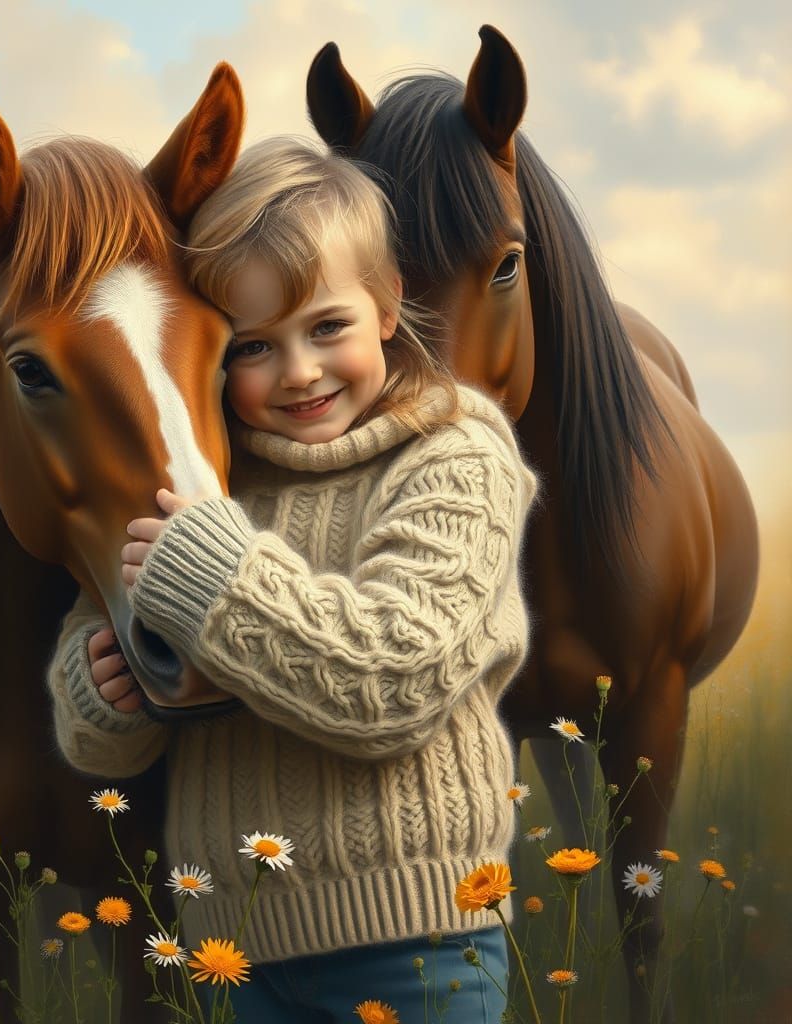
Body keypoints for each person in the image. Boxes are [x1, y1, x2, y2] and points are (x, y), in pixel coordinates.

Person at [46, 137, 538, 1023]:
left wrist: (217, 585)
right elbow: (106, 714)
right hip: (235, 956)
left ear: (388, 305)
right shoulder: (205, 481)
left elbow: (394, 678)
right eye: (252, 347)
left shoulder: (455, 457)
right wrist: (106, 693)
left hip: (418, 944)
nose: (300, 372)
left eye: (327, 327)